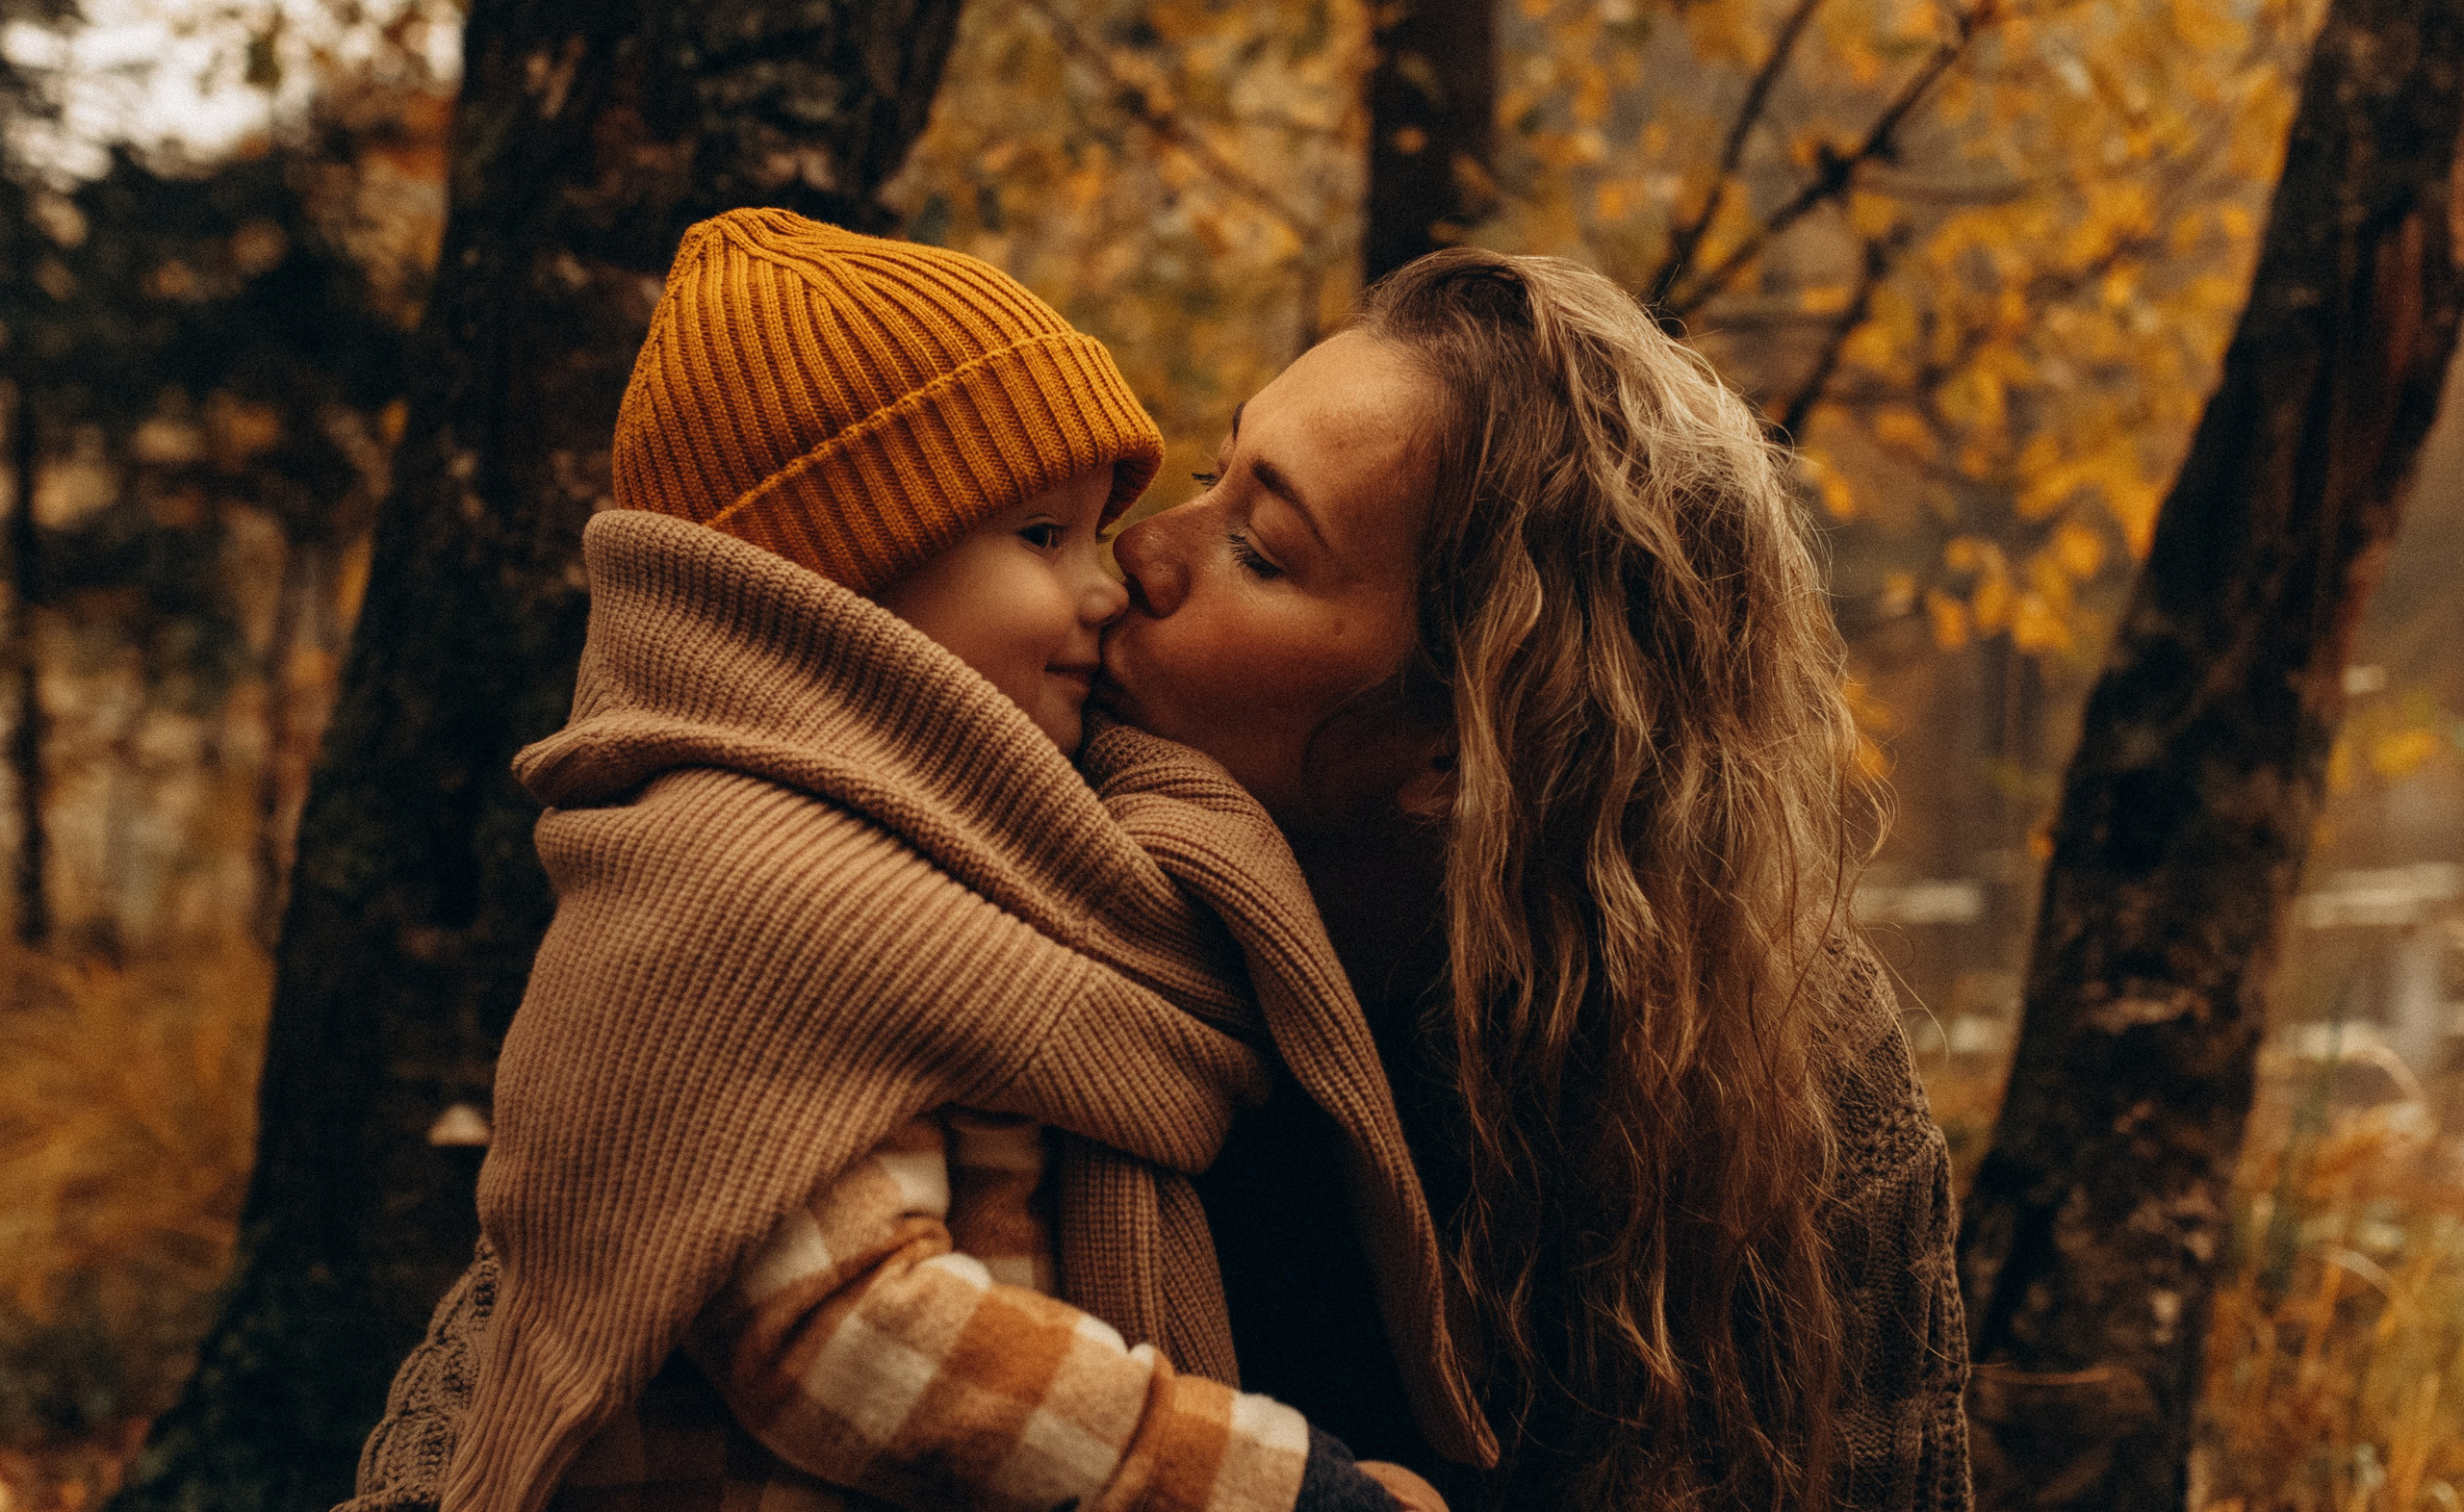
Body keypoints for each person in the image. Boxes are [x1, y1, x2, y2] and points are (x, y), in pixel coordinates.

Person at [352, 240, 1969, 1512]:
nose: (1144, 555)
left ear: (1459, 749)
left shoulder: (1779, 1083)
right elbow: (531, 1363)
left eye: (1264, 551)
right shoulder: (929, 889)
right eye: (1208, 474)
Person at [399, 208, 1477, 1512]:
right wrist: (1282, 1490)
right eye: (1042, 538)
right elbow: (846, 1328)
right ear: (840, 591)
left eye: (1258, 545)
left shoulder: (985, 865)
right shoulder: (765, 884)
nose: (1117, 573)